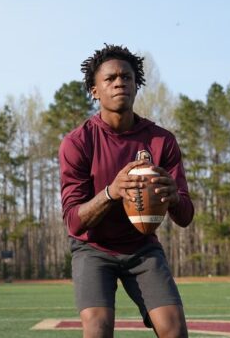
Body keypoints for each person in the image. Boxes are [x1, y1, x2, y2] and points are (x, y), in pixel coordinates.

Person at [58, 44, 194, 338]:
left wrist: (173, 198)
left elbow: (185, 217)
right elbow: (73, 221)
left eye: (127, 77)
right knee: (97, 328)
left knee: (174, 330)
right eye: (110, 78)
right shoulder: (78, 142)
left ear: (137, 85)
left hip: (142, 247)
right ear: (95, 90)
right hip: (93, 249)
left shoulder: (161, 140)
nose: (120, 82)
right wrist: (111, 192)